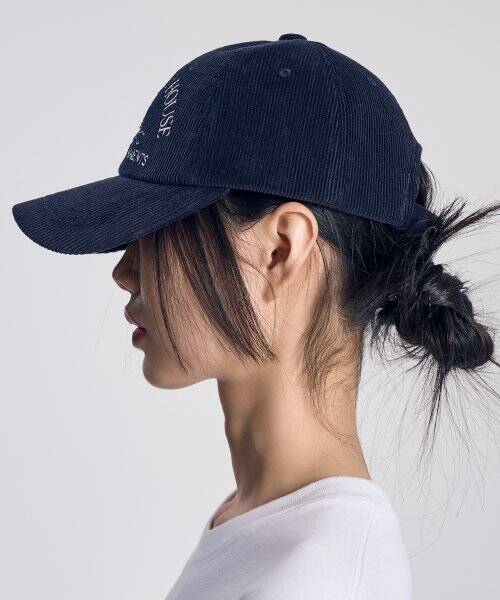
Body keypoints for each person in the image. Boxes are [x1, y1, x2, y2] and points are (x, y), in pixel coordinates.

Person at [11, 34, 500, 599]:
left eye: (160, 230)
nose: (124, 271)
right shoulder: (259, 523)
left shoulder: (321, 580)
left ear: (281, 251)